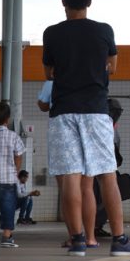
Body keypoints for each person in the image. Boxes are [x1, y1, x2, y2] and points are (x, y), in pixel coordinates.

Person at [42, 0, 130, 257]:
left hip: (63, 113)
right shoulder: (103, 31)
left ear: (63, 2)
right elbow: (113, 66)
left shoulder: (51, 33)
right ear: (89, 3)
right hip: (96, 111)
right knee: (106, 177)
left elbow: (48, 73)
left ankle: (77, 240)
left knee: (70, 179)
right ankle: (120, 240)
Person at [37, 80, 99, 248]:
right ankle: (91, 238)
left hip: (62, 129)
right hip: (88, 126)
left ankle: (75, 236)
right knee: (87, 188)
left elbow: (43, 105)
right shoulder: (90, 72)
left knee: (66, 186)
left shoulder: (54, 79)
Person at [0, 101, 25, 248]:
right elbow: (18, 156)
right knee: (8, 207)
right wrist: (15, 171)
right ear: (7, 119)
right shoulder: (13, 136)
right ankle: (6, 237)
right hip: (8, 178)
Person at [94, 98, 125, 237]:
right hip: (98, 166)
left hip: (109, 165)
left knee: (103, 198)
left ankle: (98, 225)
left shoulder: (113, 125)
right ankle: (94, 227)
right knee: (98, 196)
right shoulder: (102, 123)